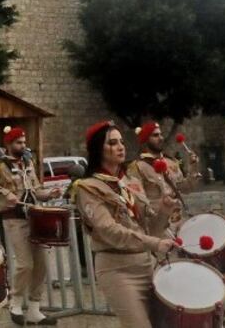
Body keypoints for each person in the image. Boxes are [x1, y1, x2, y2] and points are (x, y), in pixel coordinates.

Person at [72, 121, 178, 328]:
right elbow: (108, 230)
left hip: (145, 265)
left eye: (121, 141)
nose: (121, 146)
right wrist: (153, 243)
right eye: (112, 143)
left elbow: (151, 229)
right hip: (117, 270)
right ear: (97, 149)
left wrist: (164, 210)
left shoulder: (131, 182)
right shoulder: (88, 188)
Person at [0, 126, 61, 325]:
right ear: (9, 144)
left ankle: (34, 309)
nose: (23, 146)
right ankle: (15, 301)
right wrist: (5, 194)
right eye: (18, 143)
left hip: (35, 217)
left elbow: (36, 190)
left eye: (24, 142)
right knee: (25, 263)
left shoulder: (27, 163)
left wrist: (49, 194)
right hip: (14, 218)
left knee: (41, 264)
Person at [125, 121, 196, 237]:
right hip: (158, 227)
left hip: (179, 222)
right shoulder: (138, 167)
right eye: (155, 135)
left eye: (160, 134)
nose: (161, 138)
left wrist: (193, 167)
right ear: (145, 140)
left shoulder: (171, 162)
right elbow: (137, 201)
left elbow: (186, 188)